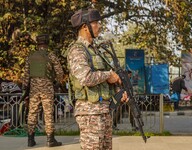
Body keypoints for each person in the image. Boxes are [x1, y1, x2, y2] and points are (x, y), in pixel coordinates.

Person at [67, 8, 128, 149]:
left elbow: (107, 80)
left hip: (103, 111)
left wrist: (119, 93)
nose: (99, 26)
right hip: (89, 112)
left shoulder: (95, 51)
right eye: (96, 23)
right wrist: (108, 75)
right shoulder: (77, 50)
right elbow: (85, 78)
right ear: (85, 27)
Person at [22, 34, 64, 147]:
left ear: (38, 43)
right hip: (47, 89)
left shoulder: (30, 57)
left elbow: (26, 76)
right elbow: (60, 72)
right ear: (47, 43)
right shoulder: (51, 56)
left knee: (32, 113)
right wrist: (57, 83)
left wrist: (25, 88)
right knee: (48, 113)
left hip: (34, 89)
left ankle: (30, 140)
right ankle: (50, 140)